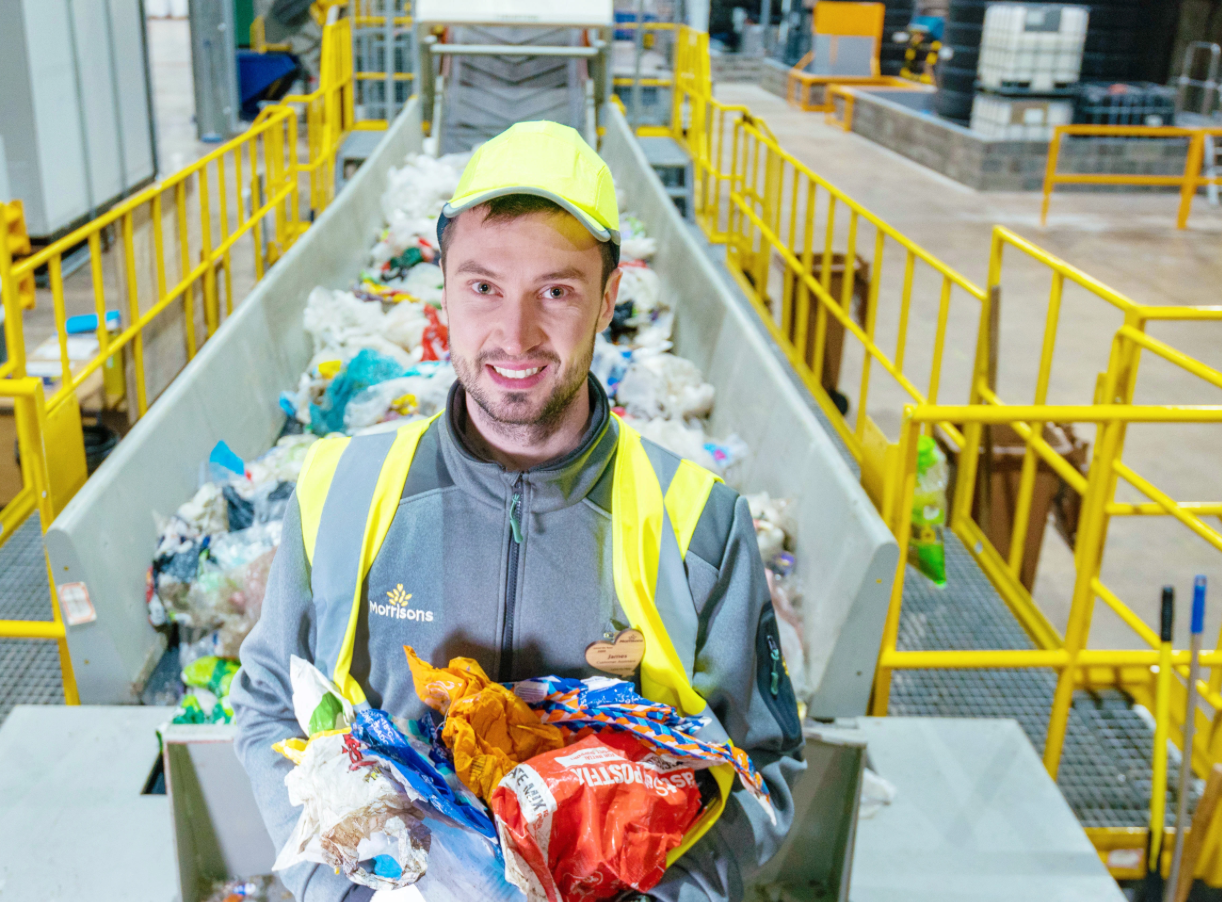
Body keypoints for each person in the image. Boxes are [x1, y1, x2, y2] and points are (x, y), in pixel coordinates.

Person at [232, 120, 805, 902]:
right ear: (442, 287)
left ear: (609, 299)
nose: (515, 334)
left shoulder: (700, 523)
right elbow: (269, 701)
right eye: (483, 286)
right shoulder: (341, 491)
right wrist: (334, 890)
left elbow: (758, 766)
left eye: (557, 291)